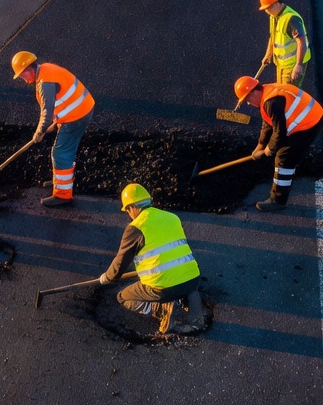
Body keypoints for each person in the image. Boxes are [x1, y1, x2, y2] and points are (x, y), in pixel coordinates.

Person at [99, 184, 203, 335]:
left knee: (123, 297)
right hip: (193, 278)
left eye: (127, 211)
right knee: (186, 286)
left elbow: (121, 262)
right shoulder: (172, 217)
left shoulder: (136, 227)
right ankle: (194, 309)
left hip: (163, 287)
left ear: (131, 208)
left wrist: (107, 277)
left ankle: (161, 309)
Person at [11, 51, 95, 207]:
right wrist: (55, 122)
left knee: (60, 153)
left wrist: (40, 131)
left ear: (29, 69)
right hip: (82, 107)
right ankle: (61, 180)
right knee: (63, 152)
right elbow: (61, 98)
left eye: (22, 75)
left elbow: (46, 111)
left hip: (76, 116)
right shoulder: (45, 69)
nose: (23, 79)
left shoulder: (44, 82)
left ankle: (63, 194)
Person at [234, 76, 323, 211]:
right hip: (313, 114)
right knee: (286, 150)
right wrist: (260, 146)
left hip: (308, 123)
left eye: (247, 99)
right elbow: (268, 123)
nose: (248, 103)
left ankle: (278, 200)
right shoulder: (267, 93)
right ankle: (295, 158)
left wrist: (269, 150)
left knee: (283, 157)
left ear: (253, 92)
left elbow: (279, 132)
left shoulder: (272, 102)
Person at [259, 0, 310, 87]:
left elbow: (301, 42)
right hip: (281, 64)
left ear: (277, 3)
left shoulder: (291, 19)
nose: (266, 11)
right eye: (265, 9)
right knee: (281, 89)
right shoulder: (274, 16)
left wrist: (298, 65)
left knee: (288, 93)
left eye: (268, 7)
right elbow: (273, 36)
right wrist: (268, 54)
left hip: (293, 64)